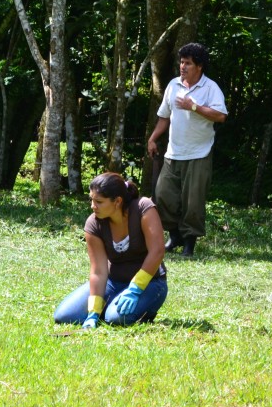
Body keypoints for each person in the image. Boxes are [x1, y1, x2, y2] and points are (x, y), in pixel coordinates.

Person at [54, 172, 168, 328]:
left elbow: (157, 251)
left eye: (99, 202)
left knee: (114, 318)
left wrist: (135, 289)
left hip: (151, 283)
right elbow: (98, 271)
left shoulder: (143, 207)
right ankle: (107, 307)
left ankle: (140, 309)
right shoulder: (93, 223)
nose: (93, 206)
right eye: (91, 200)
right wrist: (93, 311)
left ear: (117, 201)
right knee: (64, 316)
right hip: (113, 282)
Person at [146, 42, 228, 258]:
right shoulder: (173, 85)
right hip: (173, 153)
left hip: (199, 153)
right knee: (163, 196)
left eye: (188, 63)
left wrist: (194, 107)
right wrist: (153, 138)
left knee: (193, 203)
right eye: (181, 62)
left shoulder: (210, 88)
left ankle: (189, 244)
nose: (183, 67)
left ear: (199, 66)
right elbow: (164, 116)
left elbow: (220, 116)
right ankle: (175, 237)